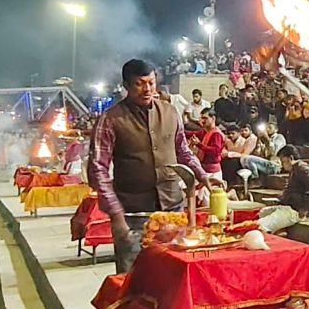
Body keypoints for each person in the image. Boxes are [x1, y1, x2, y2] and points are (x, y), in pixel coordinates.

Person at [88, 59, 219, 273]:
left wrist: (202, 175)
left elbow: (182, 150)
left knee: (171, 276)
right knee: (133, 280)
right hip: (133, 215)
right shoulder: (111, 120)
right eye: (140, 84)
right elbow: (98, 170)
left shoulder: (170, 112)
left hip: (172, 210)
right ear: (126, 86)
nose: (147, 89)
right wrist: (116, 215)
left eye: (151, 82)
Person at [251, 145, 309, 233]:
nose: (282, 165)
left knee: (259, 225)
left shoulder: (302, 168)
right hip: (287, 206)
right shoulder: (294, 169)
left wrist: (305, 208)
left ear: (291, 158)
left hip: (294, 210)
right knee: (261, 213)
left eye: (283, 161)